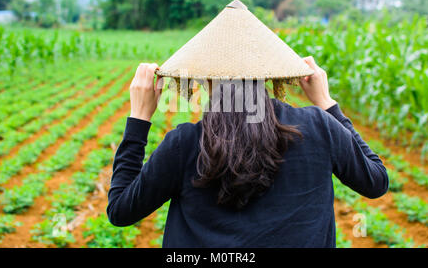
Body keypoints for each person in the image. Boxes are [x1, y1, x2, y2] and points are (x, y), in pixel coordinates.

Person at [106, 57, 389, 248]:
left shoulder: (185, 144)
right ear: (268, 73)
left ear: (206, 79)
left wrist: (139, 118)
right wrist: (327, 104)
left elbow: (120, 210)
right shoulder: (319, 127)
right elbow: (375, 181)